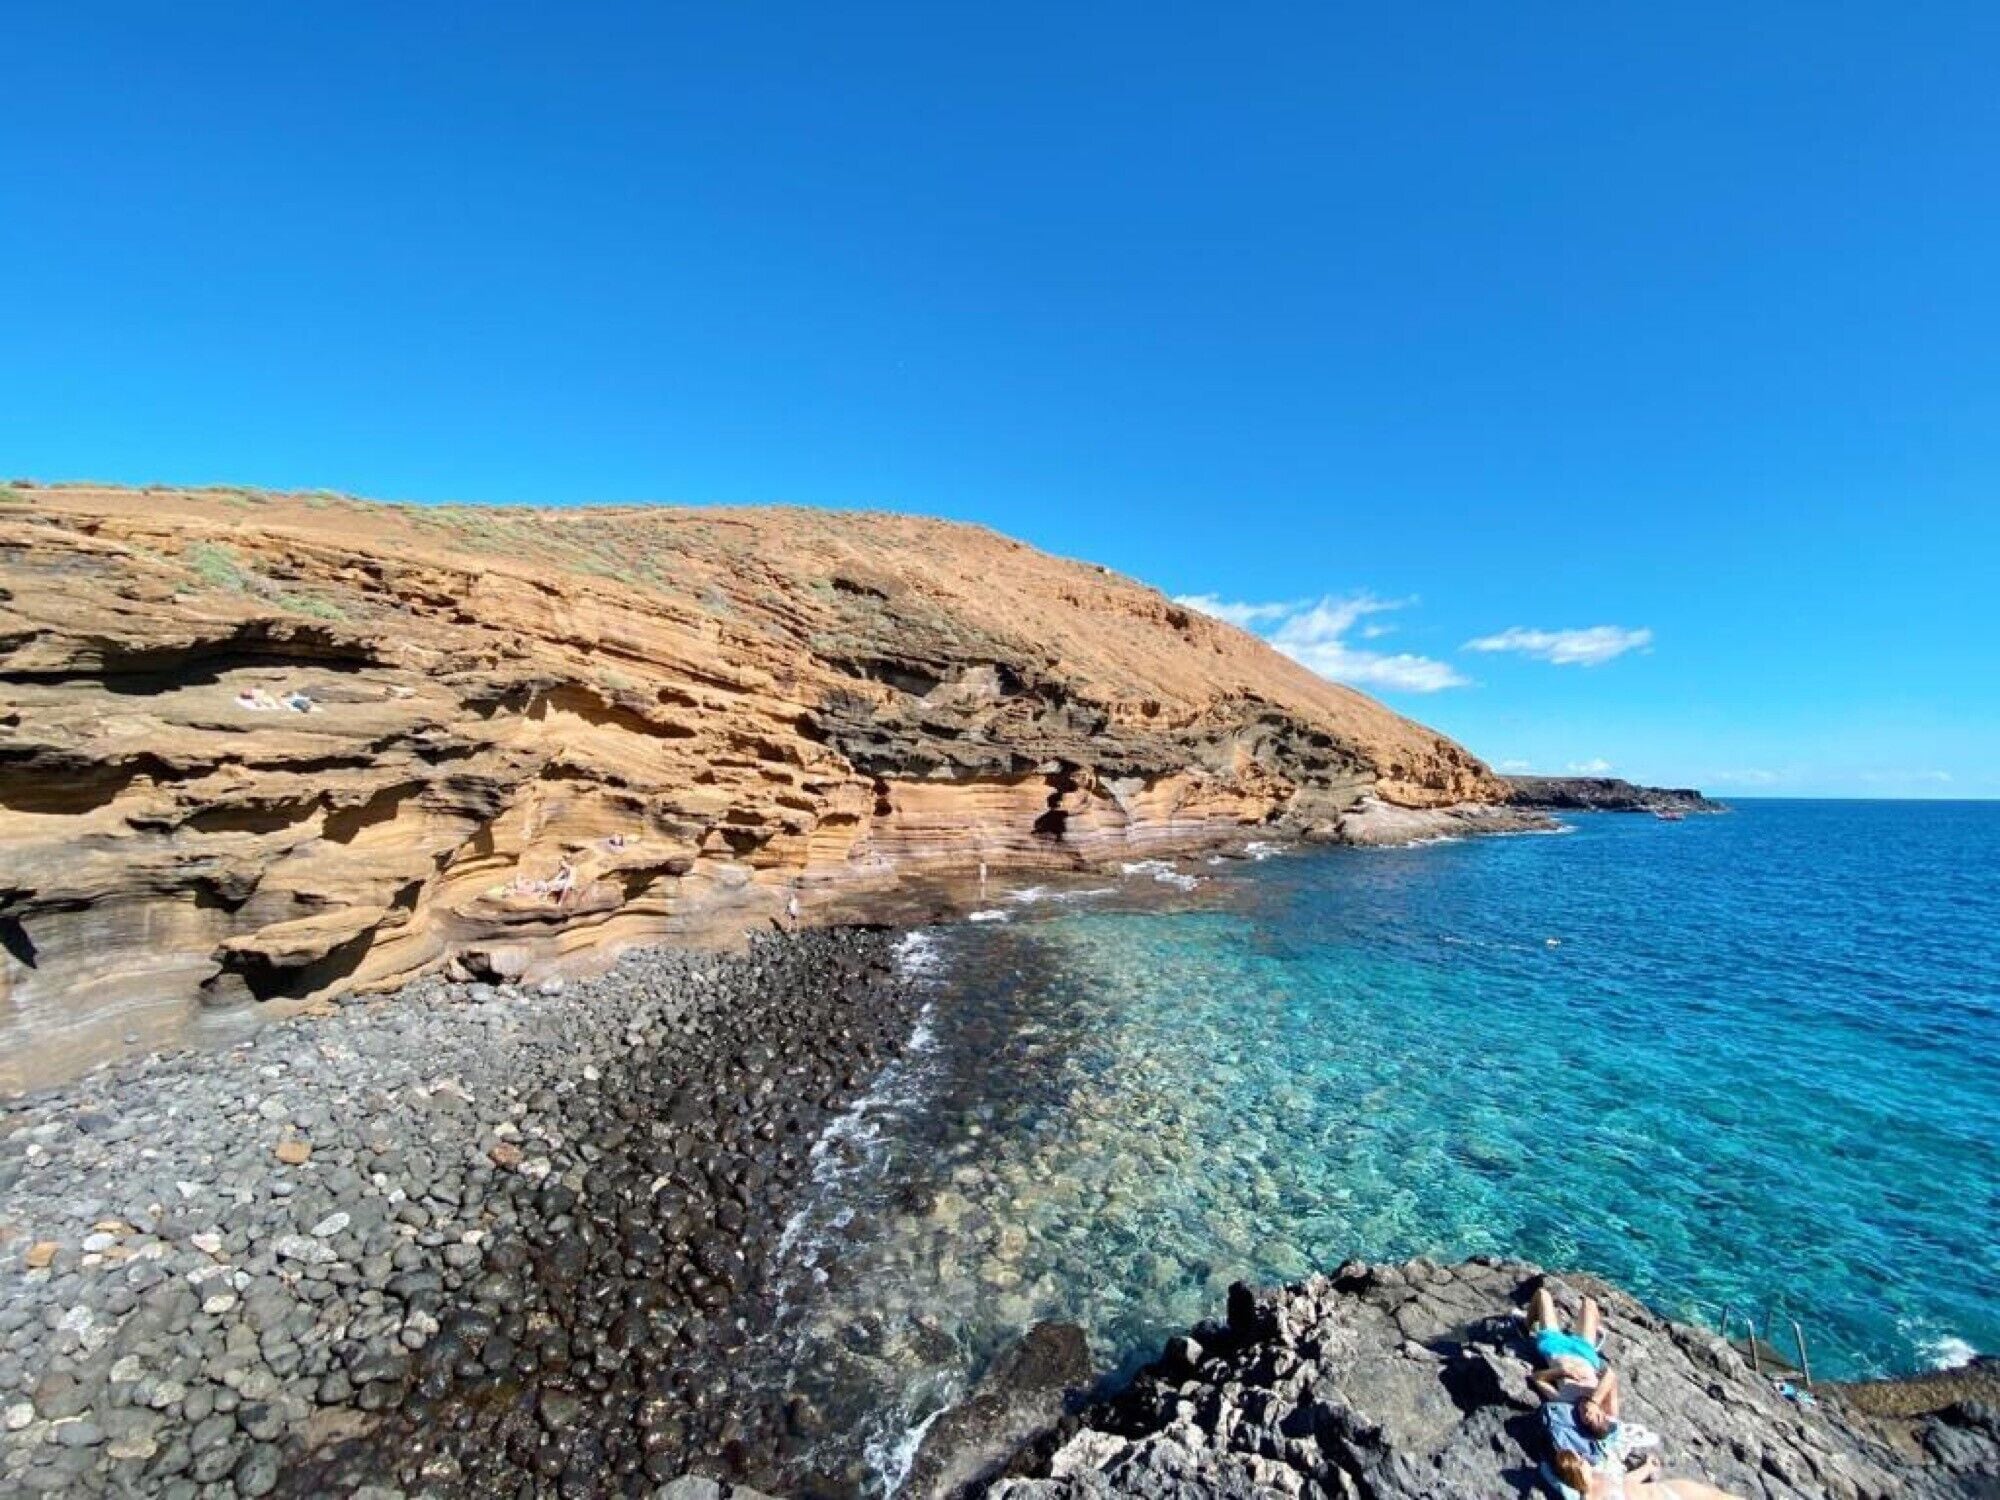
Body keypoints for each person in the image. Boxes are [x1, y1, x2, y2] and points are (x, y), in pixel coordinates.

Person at [1548, 1449, 1746, 1500]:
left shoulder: (1600, 1474)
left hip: (1665, 1489)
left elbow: (1626, 1481)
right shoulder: (1591, 1498)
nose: (1584, 1458)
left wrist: (1646, 1469)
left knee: (1719, 1496)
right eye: (1581, 1461)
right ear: (1575, 1472)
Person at [1527, 1285, 1607, 1398]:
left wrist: (1564, 1371)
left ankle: (1526, 1325)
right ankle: (1595, 1327)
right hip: (1586, 1354)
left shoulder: (1564, 1400)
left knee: (1542, 1293)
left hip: (1555, 1348)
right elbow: (1610, 1377)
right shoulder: (1598, 1404)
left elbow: (1536, 1377)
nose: (1587, 1414)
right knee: (1589, 1303)